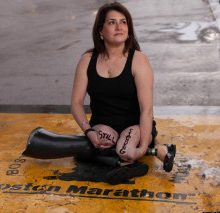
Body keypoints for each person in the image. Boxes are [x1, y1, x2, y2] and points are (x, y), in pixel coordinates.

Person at [71, 2, 176, 184]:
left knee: (125, 150)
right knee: (99, 142)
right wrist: (88, 131)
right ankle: (126, 164)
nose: (119, 27)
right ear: (101, 31)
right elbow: (76, 103)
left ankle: (123, 160)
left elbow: (146, 110)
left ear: (129, 29)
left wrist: (143, 146)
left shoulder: (138, 60)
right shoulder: (87, 60)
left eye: (124, 22)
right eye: (112, 22)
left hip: (135, 126)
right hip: (103, 126)